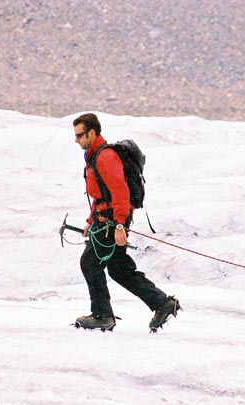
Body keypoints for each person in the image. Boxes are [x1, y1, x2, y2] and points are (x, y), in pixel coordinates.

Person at [72, 113, 180, 332]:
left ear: (92, 133)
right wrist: (90, 221)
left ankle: (103, 316)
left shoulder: (105, 157)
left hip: (112, 221)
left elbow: (120, 191)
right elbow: (100, 195)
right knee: (119, 269)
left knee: (90, 263)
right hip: (106, 219)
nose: (77, 140)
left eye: (80, 135)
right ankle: (161, 302)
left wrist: (120, 225)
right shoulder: (94, 156)